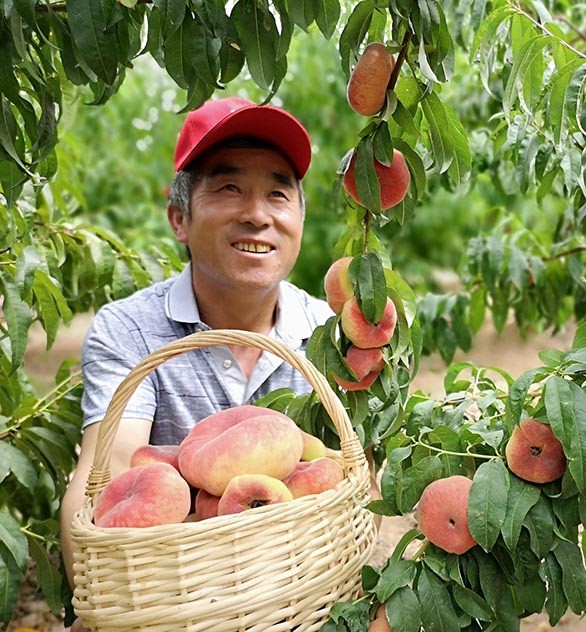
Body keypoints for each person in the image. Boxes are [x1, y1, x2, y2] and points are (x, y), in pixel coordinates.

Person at [59, 98, 375, 613]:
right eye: (229, 188)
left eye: (278, 193)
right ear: (179, 219)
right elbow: (109, 474)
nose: (257, 214)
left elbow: (354, 485)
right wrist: (98, 606)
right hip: (178, 601)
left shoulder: (328, 334)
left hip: (304, 595)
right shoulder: (130, 330)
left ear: (298, 218)